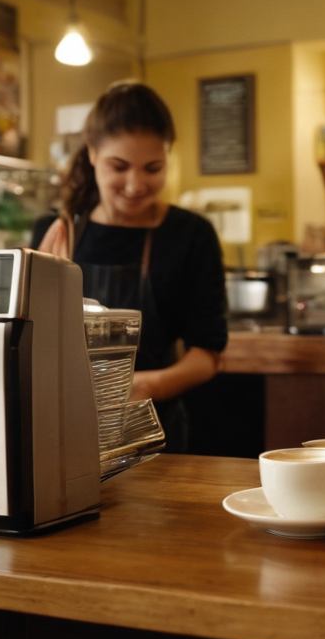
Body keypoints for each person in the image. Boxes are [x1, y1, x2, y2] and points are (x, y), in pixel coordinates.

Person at [32, 82, 228, 450]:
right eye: (118, 167)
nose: (136, 184)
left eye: (153, 168)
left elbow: (207, 356)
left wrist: (140, 387)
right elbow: (25, 340)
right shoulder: (57, 232)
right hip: (59, 427)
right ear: (92, 154)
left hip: (155, 433)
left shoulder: (190, 235)